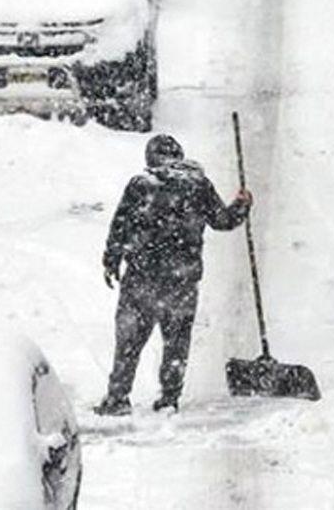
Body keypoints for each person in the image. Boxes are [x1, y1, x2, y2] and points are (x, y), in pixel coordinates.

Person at [94, 134, 251, 415]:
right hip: (182, 281)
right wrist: (241, 205)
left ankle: (117, 398)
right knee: (176, 342)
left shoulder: (141, 185)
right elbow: (222, 221)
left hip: (141, 279)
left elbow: (120, 226)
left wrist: (111, 260)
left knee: (129, 342)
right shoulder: (198, 185)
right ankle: (169, 399)